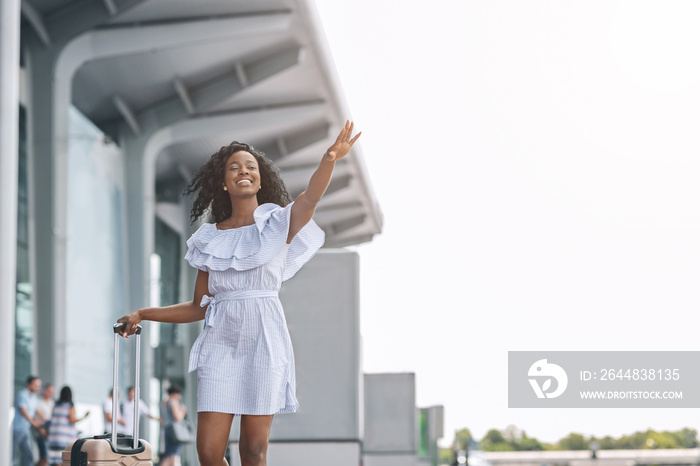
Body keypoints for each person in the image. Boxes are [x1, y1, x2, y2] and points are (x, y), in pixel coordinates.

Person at [118, 121, 361, 466]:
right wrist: (143, 313)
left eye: (251, 167)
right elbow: (197, 307)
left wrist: (329, 159)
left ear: (260, 180)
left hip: (264, 338)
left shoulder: (278, 223)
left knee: (254, 451)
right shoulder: (208, 238)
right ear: (223, 182)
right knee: (208, 452)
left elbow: (310, 199)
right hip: (221, 343)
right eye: (234, 168)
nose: (243, 171)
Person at [46, 386, 90, 465]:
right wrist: (84, 417)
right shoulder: (69, 405)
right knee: (62, 458)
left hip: (53, 435)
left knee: (54, 459)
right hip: (63, 436)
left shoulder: (55, 404)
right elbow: (72, 420)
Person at [12, 375, 44, 466]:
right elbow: (24, 412)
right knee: (12, 453)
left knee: (28, 455)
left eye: (38, 386)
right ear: (29, 385)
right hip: (18, 429)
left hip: (26, 430)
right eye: (35, 385)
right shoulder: (22, 395)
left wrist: (46, 420)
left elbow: (38, 411)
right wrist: (34, 422)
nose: (38, 388)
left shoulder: (34, 398)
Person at [160, 384, 187, 466]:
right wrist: (182, 410)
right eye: (178, 394)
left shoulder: (165, 402)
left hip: (168, 429)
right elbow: (177, 418)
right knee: (171, 455)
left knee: (170, 455)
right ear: (174, 394)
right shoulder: (173, 402)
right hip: (174, 431)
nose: (179, 396)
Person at [35, 382, 55, 466]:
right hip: (40, 431)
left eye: (52, 392)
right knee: (44, 457)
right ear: (44, 391)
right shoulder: (38, 402)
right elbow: (35, 417)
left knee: (47, 457)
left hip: (50, 433)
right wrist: (41, 429)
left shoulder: (52, 403)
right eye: (49, 391)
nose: (51, 394)